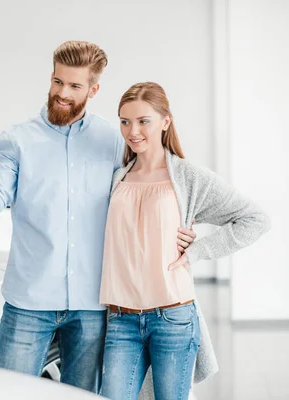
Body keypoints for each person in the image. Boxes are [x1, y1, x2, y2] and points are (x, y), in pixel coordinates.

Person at [0, 42, 195, 393]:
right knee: (6, 393)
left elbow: (146, 189)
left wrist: (185, 235)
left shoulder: (113, 141)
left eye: (74, 86)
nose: (62, 93)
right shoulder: (18, 140)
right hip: (29, 302)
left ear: (94, 89)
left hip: (91, 307)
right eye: (57, 82)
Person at [99, 82, 271, 400]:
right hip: (120, 319)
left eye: (142, 121)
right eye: (124, 121)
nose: (132, 131)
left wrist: (198, 249)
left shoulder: (188, 177)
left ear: (166, 121)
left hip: (172, 318)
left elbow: (255, 219)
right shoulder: (116, 178)